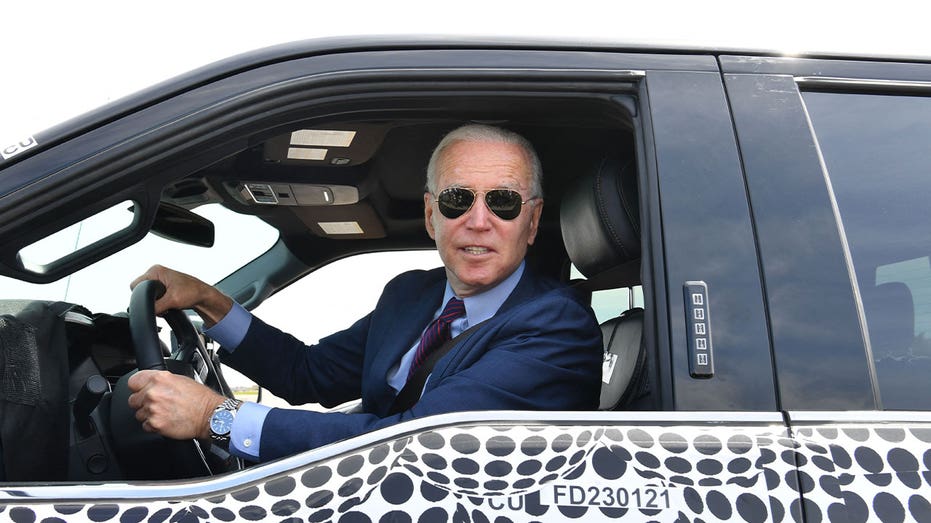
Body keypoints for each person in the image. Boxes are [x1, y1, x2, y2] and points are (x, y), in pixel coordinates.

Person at [127, 124, 603, 462]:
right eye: (458, 199)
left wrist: (217, 416)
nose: (479, 221)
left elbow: (412, 444)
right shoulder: (411, 296)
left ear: (533, 221)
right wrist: (208, 299)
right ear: (431, 215)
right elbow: (307, 374)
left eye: (503, 201)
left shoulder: (558, 329)